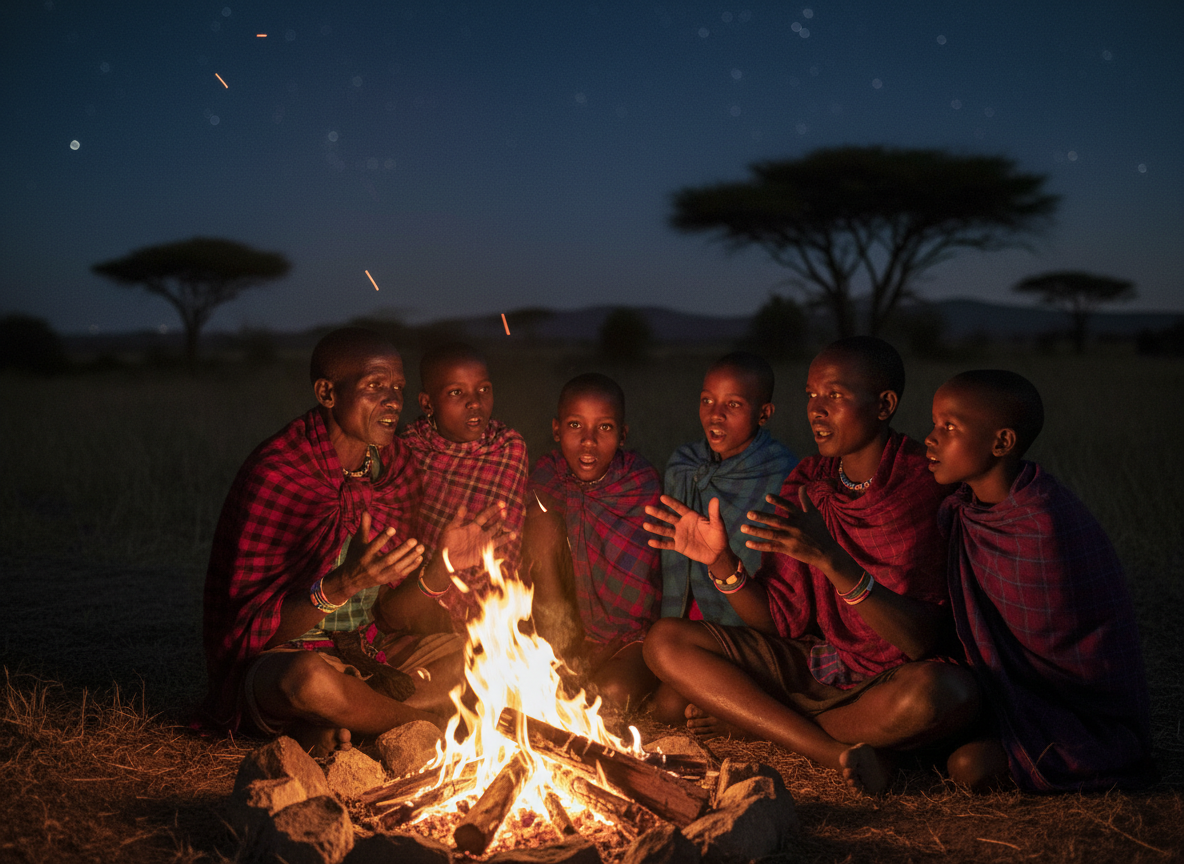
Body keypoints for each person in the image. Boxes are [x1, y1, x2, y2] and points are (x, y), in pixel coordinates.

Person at [643, 336, 977, 795]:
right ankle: (830, 749)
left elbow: (919, 641)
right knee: (665, 641)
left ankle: (763, 724)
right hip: (821, 662)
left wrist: (831, 560)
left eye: (834, 395)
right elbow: (780, 621)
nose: (816, 410)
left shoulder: (925, 481)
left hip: (895, 677)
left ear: (884, 405)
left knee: (936, 695)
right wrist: (722, 563)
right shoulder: (808, 480)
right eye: (811, 395)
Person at [202, 328, 504, 754]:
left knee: (484, 650)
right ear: (327, 393)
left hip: (369, 650)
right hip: (285, 657)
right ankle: (424, 725)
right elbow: (252, 633)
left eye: (398, 388)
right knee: (307, 682)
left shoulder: (396, 470)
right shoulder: (278, 471)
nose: (393, 401)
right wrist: (343, 584)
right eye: (375, 386)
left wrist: (443, 565)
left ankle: (345, 720)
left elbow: (390, 617)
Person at [928, 370, 1156, 792]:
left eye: (949, 427)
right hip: (1001, 690)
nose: (931, 438)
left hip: (1074, 714)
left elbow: (1062, 652)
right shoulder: (965, 507)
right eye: (934, 424)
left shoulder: (1043, 523)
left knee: (968, 766)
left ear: (1002, 443)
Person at [524, 374, 663, 710]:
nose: (589, 440)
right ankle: (557, 652)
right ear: (557, 430)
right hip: (569, 630)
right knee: (540, 524)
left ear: (622, 435)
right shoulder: (548, 475)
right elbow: (533, 558)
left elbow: (649, 588)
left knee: (610, 694)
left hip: (628, 637)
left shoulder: (639, 483)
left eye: (604, 427)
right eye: (575, 425)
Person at [396, 343, 528, 632]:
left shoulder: (508, 448)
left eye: (483, 389)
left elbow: (508, 539)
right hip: (424, 601)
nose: (475, 402)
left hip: (497, 603)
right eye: (457, 392)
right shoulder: (407, 450)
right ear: (427, 404)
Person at [661, 352, 797, 626]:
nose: (715, 415)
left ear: (764, 413)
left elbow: (786, 584)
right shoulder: (685, 464)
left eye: (733, 404)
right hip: (687, 616)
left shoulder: (782, 475)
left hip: (755, 620)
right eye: (707, 401)